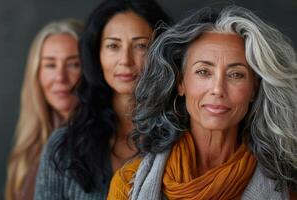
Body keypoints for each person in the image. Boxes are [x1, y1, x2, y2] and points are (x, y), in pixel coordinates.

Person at [107, 5, 297, 200]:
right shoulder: (128, 184)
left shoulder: (287, 188)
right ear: (181, 82)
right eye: (203, 71)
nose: (218, 89)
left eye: (236, 74)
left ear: (254, 90)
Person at [34, 0, 172, 199]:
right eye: (113, 46)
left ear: (160, 52)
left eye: (141, 45)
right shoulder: (64, 146)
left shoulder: (179, 139)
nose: (125, 60)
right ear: (96, 54)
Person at [5, 19, 83, 200]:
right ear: (36, 73)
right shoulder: (31, 145)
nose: (60, 78)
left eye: (74, 64)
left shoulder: (103, 142)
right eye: (50, 64)